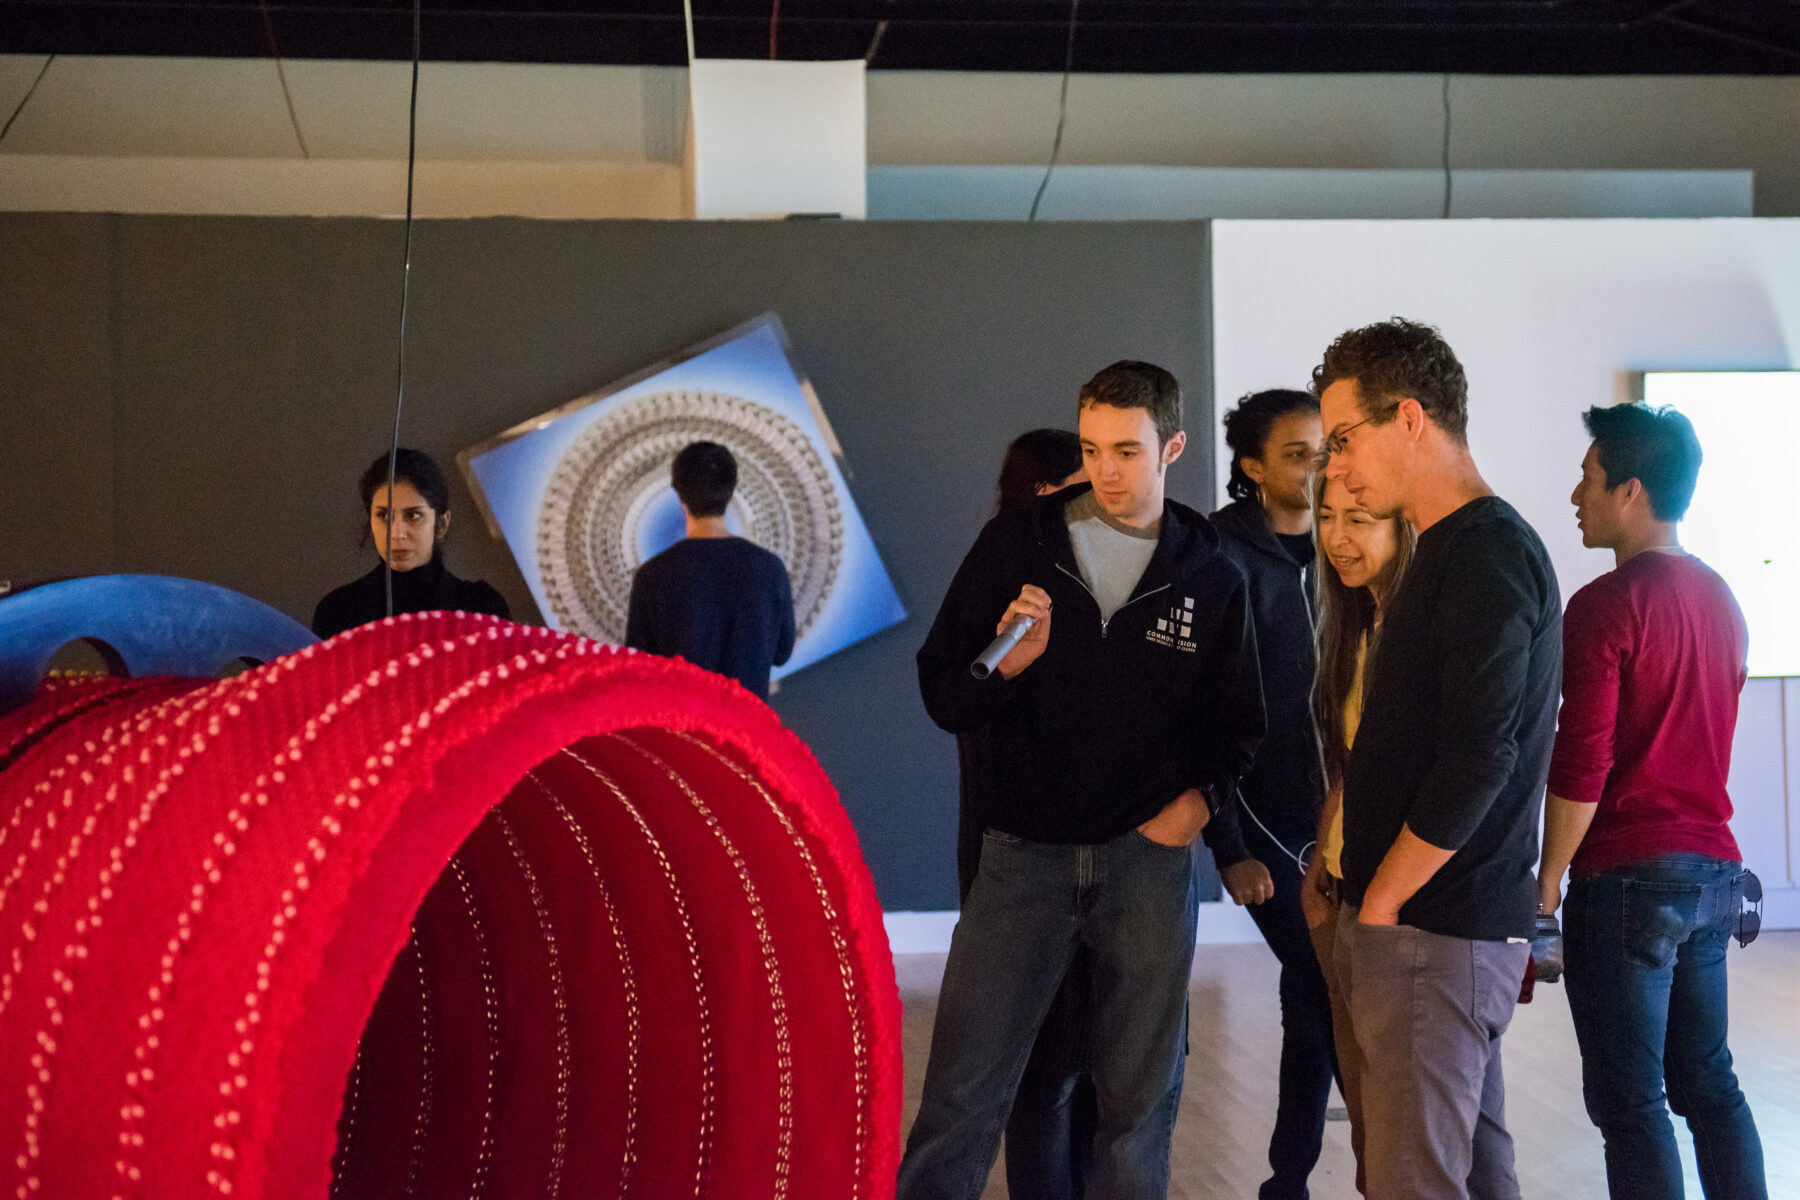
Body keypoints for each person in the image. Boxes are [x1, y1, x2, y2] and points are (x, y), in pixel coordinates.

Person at [903, 361, 1264, 1200]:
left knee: (1139, 1101)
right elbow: (943, 691)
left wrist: (1194, 808)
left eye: (1129, 451)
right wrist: (1007, 667)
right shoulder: (1017, 544)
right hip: (1022, 858)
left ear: (1172, 446)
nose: (1107, 470)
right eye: (1096, 448)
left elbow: (1240, 728)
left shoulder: (1211, 574)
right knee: (963, 1092)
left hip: (1146, 862)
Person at [1314, 318, 1561, 1200]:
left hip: (1433, 932)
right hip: (1439, 931)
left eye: (1344, 439)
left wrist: (1382, 899)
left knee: (1411, 1182)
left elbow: (1478, 758)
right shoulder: (1457, 552)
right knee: (1471, 1172)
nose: (1334, 465)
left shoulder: (1484, 555)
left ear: (1409, 419)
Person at [1538, 403, 1767, 1199]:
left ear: (1631, 489)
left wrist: (1546, 882)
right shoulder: (1724, 600)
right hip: (1714, 873)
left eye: (1589, 476)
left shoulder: (1605, 606)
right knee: (1710, 1085)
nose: (1576, 493)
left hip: (1628, 877)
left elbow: (1584, 761)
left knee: (1632, 1103)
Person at [957, 428, 1097, 1200]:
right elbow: (964, 698)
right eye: (1081, 479)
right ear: (1042, 493)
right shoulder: (1006, 576)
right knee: (1043, 1068)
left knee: (1086, 1065)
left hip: (1084, 855)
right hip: (1020, 852)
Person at [1204, 388, 1336, 1200]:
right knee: (1326, 981)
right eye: (1297, 453)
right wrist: (1230, 847)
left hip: (1343, 819)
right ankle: (1382, 1171)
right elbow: (1198, 712)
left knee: (1312, 990)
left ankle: (1287, 1181)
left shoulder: (1348, 542)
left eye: (1325, 448)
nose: (1319, 466)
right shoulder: (1216, 555)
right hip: (1262, 826)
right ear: (1252, 469)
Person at [1298, 472, 1416, 1196]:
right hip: (1340, 896)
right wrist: (1319, 866)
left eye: (1360, 519)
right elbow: (1345, 766)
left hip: (1388, 910)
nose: (1338, 537)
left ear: (1403, 529)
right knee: (1371, 1129)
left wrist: (1379, 903)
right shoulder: (1353, 623)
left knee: (1403, 1138)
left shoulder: (1413, 632)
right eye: (1329, 517)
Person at [624, 441, 796, 696]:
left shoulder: (651, 577)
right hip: (749, 730)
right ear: (731, 490)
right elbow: (781, 653)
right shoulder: (769, 569)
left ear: (679, 494)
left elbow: (639, 670)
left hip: (683, 732)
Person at [312, 448, 510, 639]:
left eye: (414, 515)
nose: (397, 534)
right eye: (384, 515)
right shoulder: (338, 611)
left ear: (441, 524)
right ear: (370, 520)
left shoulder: (482, 608)